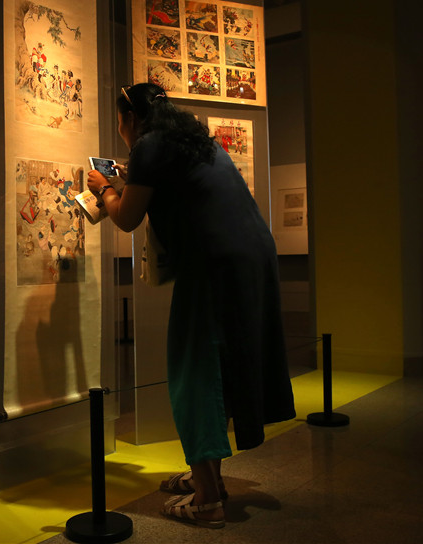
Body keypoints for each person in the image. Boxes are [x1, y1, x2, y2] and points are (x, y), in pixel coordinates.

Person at [87, 83, 295, 529]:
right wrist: (129, 176)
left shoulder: (147, 148)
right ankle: (210, 477)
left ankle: (206, 500)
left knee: (193, 371)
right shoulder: (196, 142)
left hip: (213, 264)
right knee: (218, 366)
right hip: (253, 256)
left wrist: (104, 188)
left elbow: (125, 218)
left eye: (120, 121)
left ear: (129, 119)